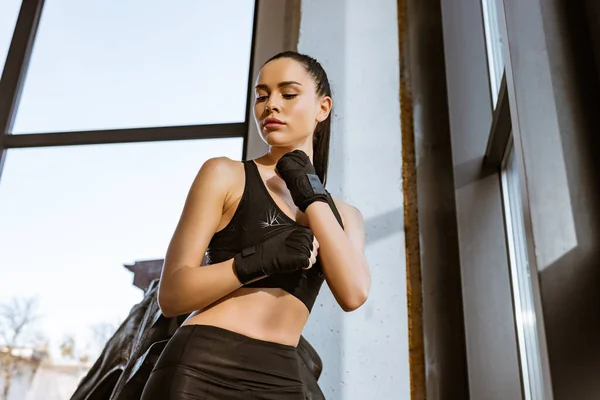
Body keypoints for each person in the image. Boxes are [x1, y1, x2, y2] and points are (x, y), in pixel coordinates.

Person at [140, 51, 371, 400]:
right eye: (262, 96)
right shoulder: (224, 174)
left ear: (322, 108)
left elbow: (353, 293)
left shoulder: (346, 216)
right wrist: (258, 260)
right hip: (201, 367)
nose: (270, 106)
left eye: (288, 94)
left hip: (282, 378)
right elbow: (172, 295)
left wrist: (310, 192)